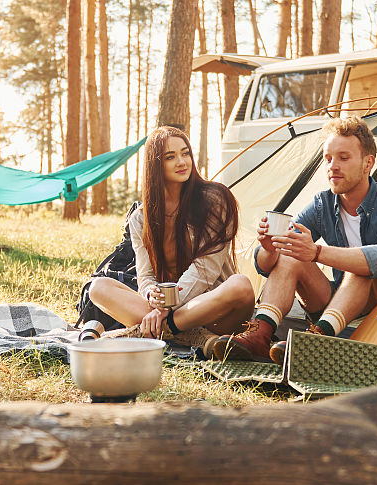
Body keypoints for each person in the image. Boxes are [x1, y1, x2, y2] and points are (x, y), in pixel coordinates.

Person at [212, 116, 377, 363]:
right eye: (328, 158)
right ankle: (260, 334)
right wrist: (270, 248)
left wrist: (317, 253)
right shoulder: (323, 204)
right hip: (336, 303)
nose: (332, 166)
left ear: (368, 164)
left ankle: (317, 340)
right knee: (291, 254)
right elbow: (265, 265)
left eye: (343, 158)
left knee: (361, 265)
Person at [88, 126, 256, 347]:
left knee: (241, 285)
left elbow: (206, 270)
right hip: (170, 312)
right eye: (171, 157)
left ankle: (153, 331)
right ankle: (192, 337)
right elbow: (146, 276)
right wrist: (151, 295)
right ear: (155, 165)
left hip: (215, 309)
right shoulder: (141, 218)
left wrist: (165, 309)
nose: (182, 162)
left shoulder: (216, 200)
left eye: (186, 153)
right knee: (98, 287)